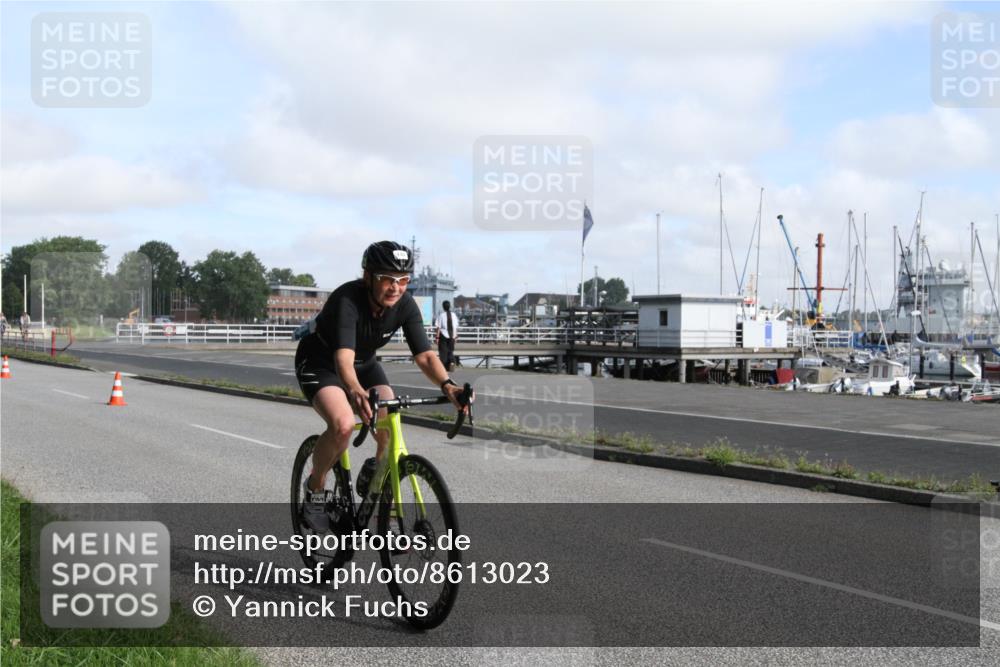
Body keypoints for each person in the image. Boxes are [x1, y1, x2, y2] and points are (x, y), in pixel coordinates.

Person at [294, 241, 470, 532]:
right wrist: (355, 390)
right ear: (368, 277)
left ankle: (378, 488)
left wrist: (448, 386)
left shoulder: (405, 305)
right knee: (343, 425)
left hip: (363, 364)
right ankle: (314, 489)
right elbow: (343, 360)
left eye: (403, 280)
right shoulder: (347, 300)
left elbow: (426, 356)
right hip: (321, 363)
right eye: (387, 279)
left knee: (390, 418)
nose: (396, 288)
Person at [435, 300, 459, 371]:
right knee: (450, 351)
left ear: (443, 307)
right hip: (452, 336)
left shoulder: (441, 315)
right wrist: (456, 336)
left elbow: (438, 327)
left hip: (443, 335)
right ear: (449, 306)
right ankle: (451, 362)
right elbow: (455, 327)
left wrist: (437, 337)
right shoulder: (454, 315)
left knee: (443, 352)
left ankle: (443, 367)